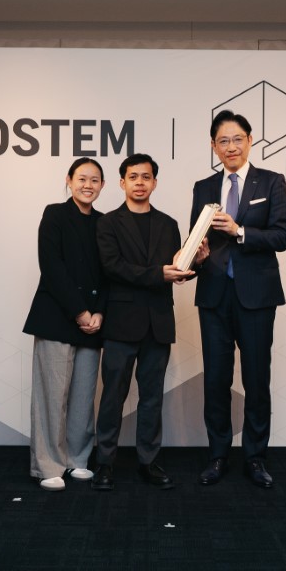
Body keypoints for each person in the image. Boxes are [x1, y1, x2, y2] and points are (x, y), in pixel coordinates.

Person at [190, 110, 286, 488]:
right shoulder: (203, 187)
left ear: (250, 141)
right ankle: (217, 455)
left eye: (237, 139)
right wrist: (196, 256)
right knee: (216, 379)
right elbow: (195, 238)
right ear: (213, 146)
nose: (230, 146)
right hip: (214, 295)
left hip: (257, 296)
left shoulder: (272, 181)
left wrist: (240, 230)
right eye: (223, 141)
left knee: (256, 379)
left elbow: (282, 236)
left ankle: (255, 457)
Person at [91, 153, 201, 491]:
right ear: (122, 182)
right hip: (121, 324)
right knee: (113, 397)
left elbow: (175, 268)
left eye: (146, 177)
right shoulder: (108, 223)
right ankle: (104, 463)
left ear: (155, 182)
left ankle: (148, 462)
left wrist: (192, 265)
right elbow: (112, 267)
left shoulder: (168, 224)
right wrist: (158, 275)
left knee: (152, 397)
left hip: (158, 323)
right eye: (133, 177)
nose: (140, 183)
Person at [23, 157, 107, 491]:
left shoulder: (104, 222)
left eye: (95, 180)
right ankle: (48, 465)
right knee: (52, 394)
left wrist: (99, 313)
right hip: (58, 316)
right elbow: (52, 267)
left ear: (103, 185)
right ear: (69, 180)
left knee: (84, 395)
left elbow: (109, 272)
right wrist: (80, 312)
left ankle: (77, 459)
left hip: (93, 321)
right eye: (82, 178)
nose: (88, 185)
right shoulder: (55, 214)